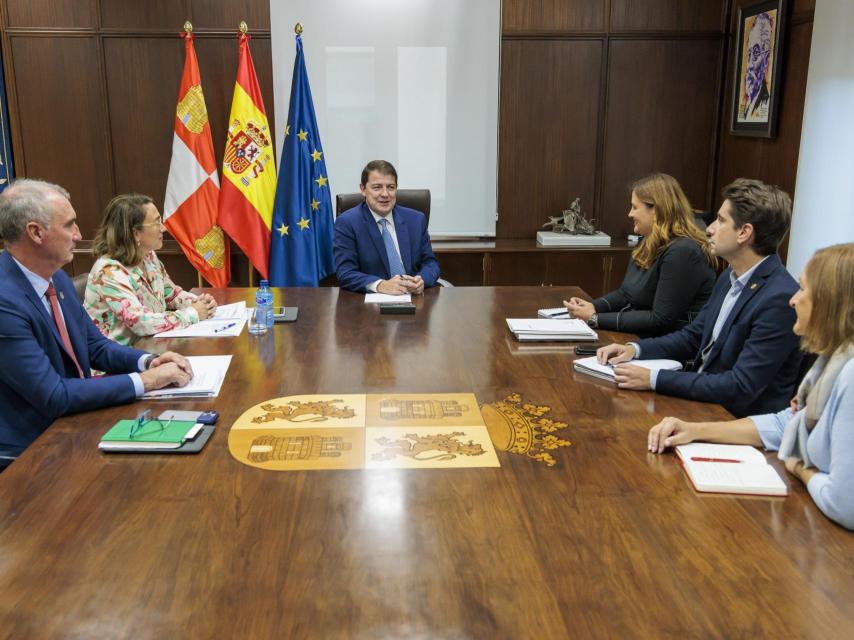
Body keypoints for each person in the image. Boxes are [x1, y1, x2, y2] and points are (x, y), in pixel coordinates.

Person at [648, 244, 854, 530]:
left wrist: (799, 468)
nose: (793, 300)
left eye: (804, 290)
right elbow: (786, 424)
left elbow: (844, 504)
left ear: (830, 303)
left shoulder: (850, 375)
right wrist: (694, 430)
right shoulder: (830, 362)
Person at [0, 179, 193, 469]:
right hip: (32, 449)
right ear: (36, 232)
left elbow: (94, 345)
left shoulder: (56, 278)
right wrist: (148, 381)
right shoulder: (4, 301)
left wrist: (148, 361)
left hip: (74, 419)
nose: (78, 235)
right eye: (69, 225)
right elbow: (52, 395)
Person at [596, 178, 802, 418]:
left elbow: (740, 386)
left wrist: (654, 378)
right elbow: (694, 338)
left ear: (744, 232)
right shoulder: (729, 277)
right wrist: (634, 349)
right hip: (702, 403)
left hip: (734, 421)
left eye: (721, 220)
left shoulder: (779, 299)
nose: (709, 228)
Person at [564, 173, 716, 337]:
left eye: (635, 207)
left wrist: (595, 319)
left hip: (670, 350)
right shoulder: (649, 240)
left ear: (656, 210)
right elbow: (625, 294)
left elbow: (660, 319)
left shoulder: (684, 251)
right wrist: (593, 307)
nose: (630, 214)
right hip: (644, 339)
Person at [85, 194, 217, 345]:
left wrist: (199, 303)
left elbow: (171, 294)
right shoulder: (108, 272)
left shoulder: (148, 256)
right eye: (156, 223)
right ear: (136, 233)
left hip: (151, 348)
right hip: (118, 361)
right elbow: (140, 322)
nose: (163, 228)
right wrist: (193, 313)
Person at [333, 160, 440, 294]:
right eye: (377, 187)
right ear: (363, 189)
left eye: (390, 187)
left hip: (413, 299)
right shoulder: (347, 222)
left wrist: (421, 280)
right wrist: (380, 285)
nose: (385, 194)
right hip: (370, 305)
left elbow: (430, 263)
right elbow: (346, 273)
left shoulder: (416, 220)